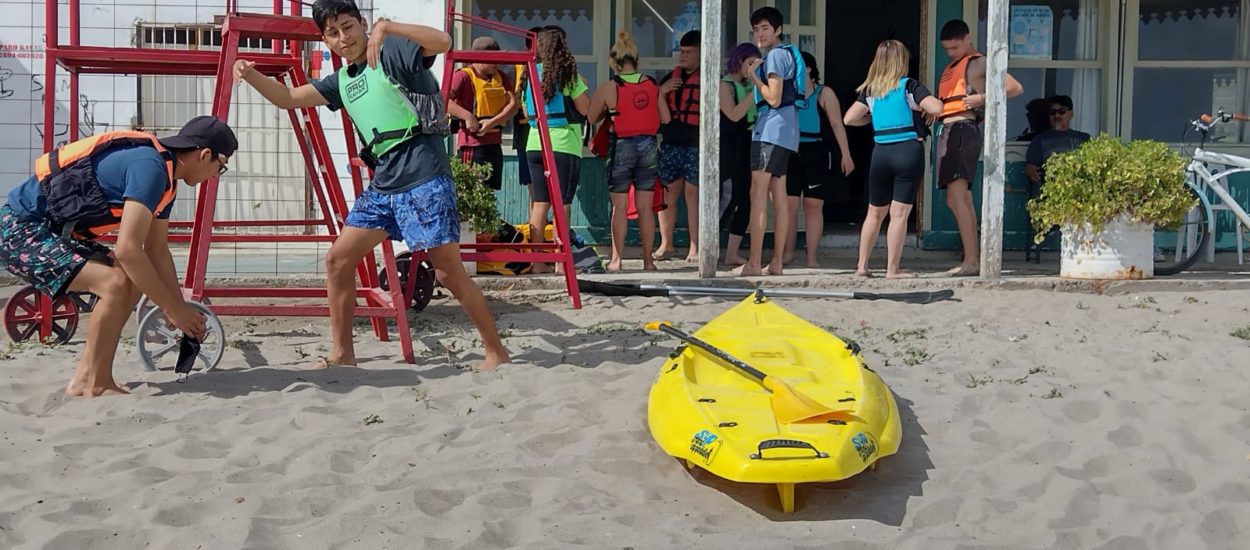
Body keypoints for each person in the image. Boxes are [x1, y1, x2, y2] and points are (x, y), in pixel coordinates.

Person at [233, 0, 509, 371]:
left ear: (363, 24)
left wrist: (391, 26)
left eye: (348, 27)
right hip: (384, 183)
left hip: (424, 173)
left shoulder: (391, 49)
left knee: (447, 272)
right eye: (332, 33)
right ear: (325, 40)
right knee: (338, 259)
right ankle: (343, 354)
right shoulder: (342, 81)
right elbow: (288, 98)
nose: (343, 38)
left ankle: (496, 351)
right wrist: (248, 72)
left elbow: (443, 41)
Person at [0, 116, 237, 396]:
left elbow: (157, 250)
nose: (214, 176)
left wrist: (177, 306)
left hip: (51, 232)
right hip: (19, 230)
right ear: (205, 154)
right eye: (220, 168)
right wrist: (174, 310)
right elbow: (127, 249)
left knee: (132, 278)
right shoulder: (151, 169)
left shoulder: (167, 180)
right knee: (114, 283)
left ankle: (84, 380)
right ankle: (97, 384)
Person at [844, 40, 944, 279]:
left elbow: (849, 118)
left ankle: (862, 266)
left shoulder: (871, 91)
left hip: (881, 152)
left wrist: (869, 120)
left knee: (874, 213)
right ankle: (892, 269)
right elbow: (937, 107)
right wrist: (926, 109)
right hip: (908, 150)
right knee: (899, 214)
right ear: (902, 61)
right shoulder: (909, 86)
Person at [936, 19, 1023, 276]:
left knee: (957, 197)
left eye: (954, 47)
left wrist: (983, 98)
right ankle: (973, 258)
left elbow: (1015, 87)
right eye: (947, 49)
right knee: (959, 199)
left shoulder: (980, 61)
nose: (951, 53)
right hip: (949, 128)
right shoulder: (954, 66)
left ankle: (972, 261)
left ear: (967, 38)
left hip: (964, 129)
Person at [588, 31, 669, 272]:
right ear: (636, 61)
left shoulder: (610, 87)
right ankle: (648, 261)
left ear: (614, 62)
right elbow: (665, 117)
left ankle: (616, 260)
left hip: (622, 145)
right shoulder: (652, 85)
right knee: (646, 207)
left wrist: (608, 112)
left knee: (620, 208)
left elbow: (591, 116)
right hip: (648, 146)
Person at [735, 6, 805, 277]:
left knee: (758, 196)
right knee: (781, 198)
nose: (760, 34)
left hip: (770, 131)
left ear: (777, 30)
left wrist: (752, 76)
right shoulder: (787, 53)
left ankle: (754, 262)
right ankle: (776, 261)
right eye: (756, 29)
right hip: (787, 132)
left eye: (765, 28)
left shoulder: (775, 56)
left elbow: (774, 97)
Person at [518, 27, 591, 274]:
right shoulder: (569, 75)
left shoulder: (528, 74)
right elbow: (585, 109)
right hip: (563, 144)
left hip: (535, 143)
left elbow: (528, 113)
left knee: (540, 204)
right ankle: (563, 264)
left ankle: (538, 263)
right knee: (563, 203)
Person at [783, 51, 854, 268]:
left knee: (813, 205)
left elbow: (836, 124)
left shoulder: (824, 93)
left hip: (817, 151)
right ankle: (787, 253)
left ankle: (811, 257)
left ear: (810, 69)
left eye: (799, 67)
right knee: (789, 205)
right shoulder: (788, 91)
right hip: (790, 150)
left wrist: (846, 154)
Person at [1024, 94, 1091, 263]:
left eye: (1062, 111)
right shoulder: (1041, 139)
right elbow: (1031, 164)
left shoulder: (1083, 138)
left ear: (1071, 114)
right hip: (1050, 191)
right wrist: (1031, 169)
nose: (1057, 116)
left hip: (1079, 191)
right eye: (1053, 112)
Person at [654, 30, 703, 262]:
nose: (682, 56)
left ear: (701, 52)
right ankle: (667, 244)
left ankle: (695, 247)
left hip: (696, 144)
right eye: (680, 51)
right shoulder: (668, 80)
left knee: (693, 195)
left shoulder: (708, 79)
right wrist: (662, 92)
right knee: (667, 195)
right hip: (671, 143)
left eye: (688, 52)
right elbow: (653, 112)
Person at [447, 36, 517, 191]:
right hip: (472, 145)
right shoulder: (463, 76)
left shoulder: (502, 77)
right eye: (493, 59)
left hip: (494, 144)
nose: (497, 63)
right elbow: (444, 101)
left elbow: (513, 104)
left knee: (489, 192)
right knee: (470, 191)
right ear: (479, 57)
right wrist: (468, 116)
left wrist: (492, 122)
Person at [718, 43, 761, 266]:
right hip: (729, 146)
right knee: (729, 196)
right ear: (739, 61)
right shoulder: (725, 85)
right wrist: (755, 91)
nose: (752, 68)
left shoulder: (748, 85)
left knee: (747, 200)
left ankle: (732, 252)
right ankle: (709, 244)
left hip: (749, 143)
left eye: (756, 64)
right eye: (750, 64)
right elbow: (733, 115)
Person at [510, 27, 545, 191]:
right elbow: (509, 100)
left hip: (551, 130)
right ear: (527, 49)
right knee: (533, 182)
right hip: (525, 130)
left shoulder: (554, 69)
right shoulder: (517, 68)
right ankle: (535, 216)